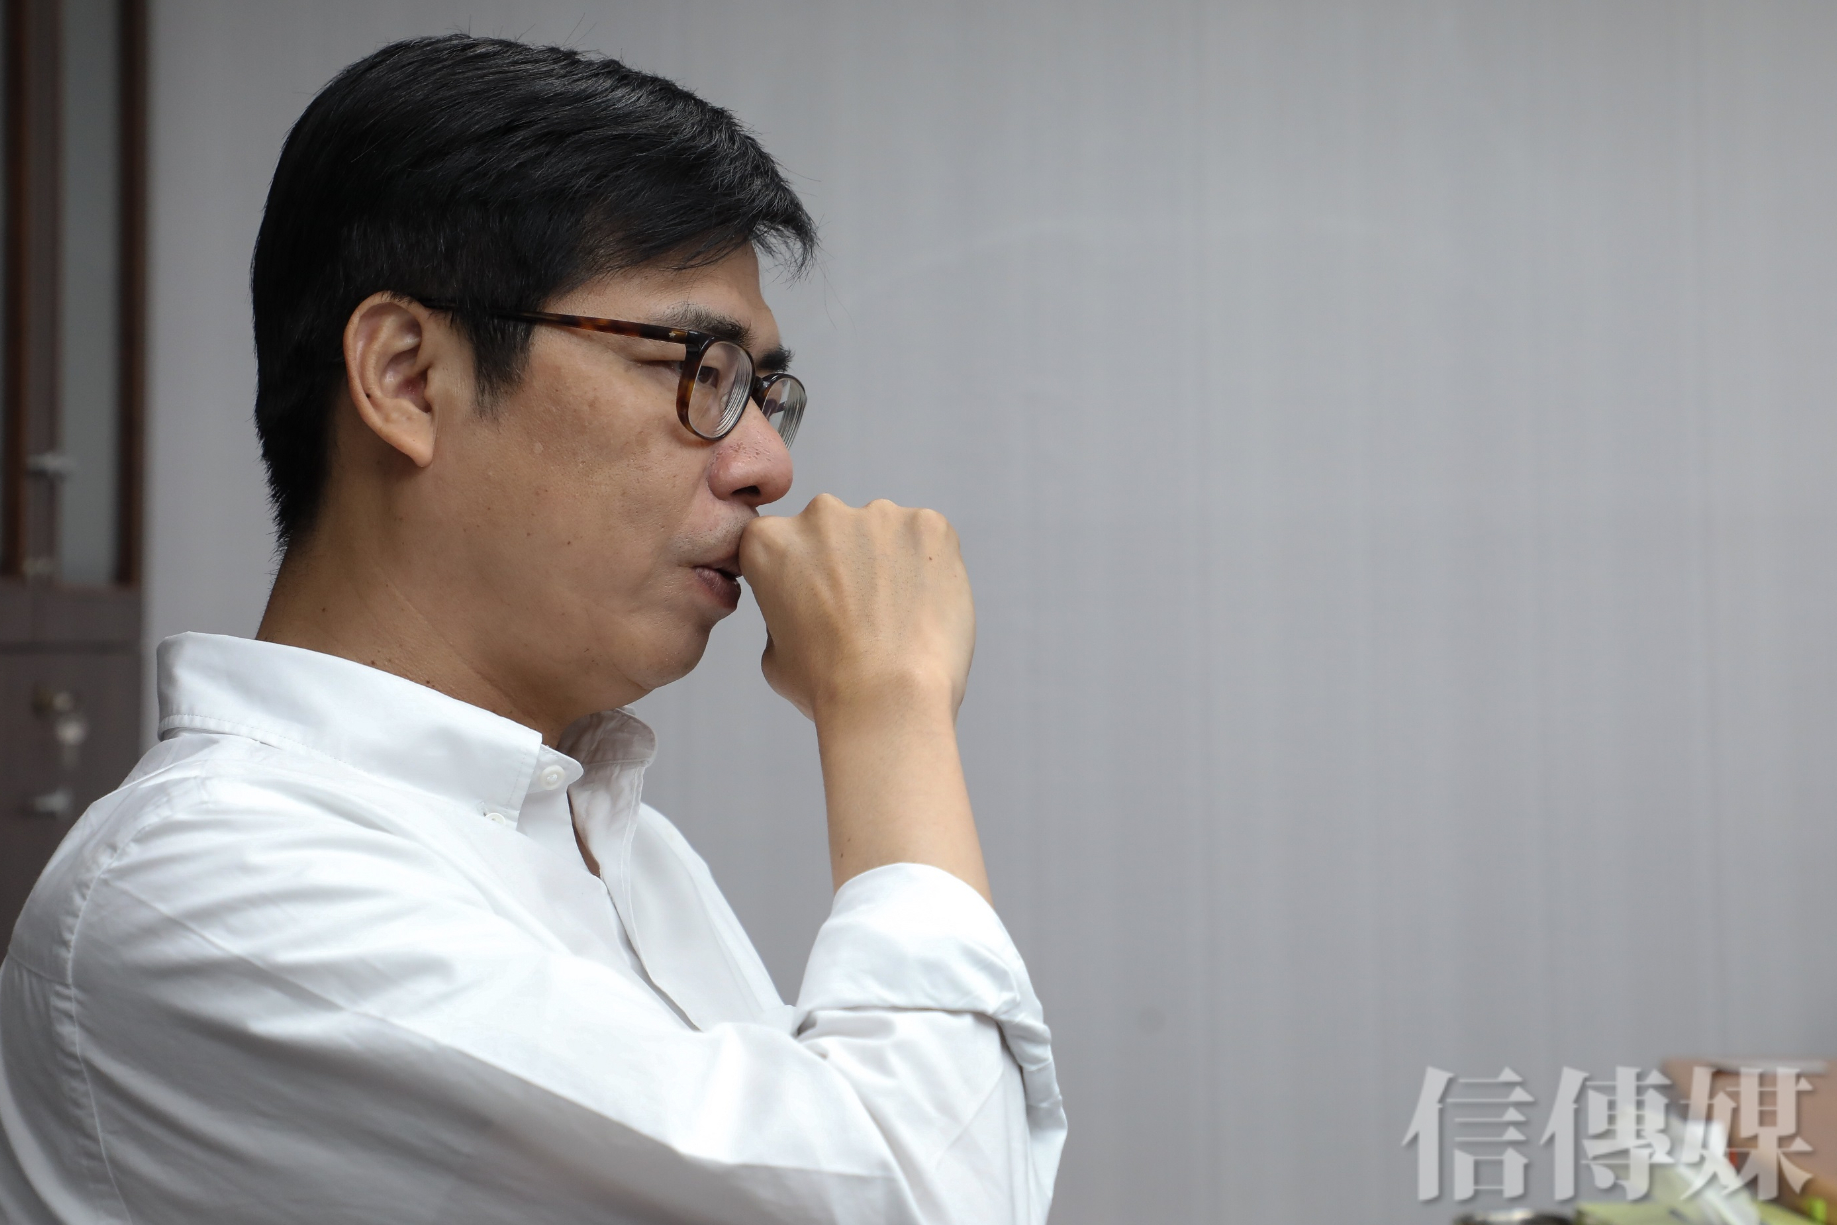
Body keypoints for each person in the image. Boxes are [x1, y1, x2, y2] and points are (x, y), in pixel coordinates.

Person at [0, 34, 1064, 1225]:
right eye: (699, 367)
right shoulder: (213, 886)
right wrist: (887, 705)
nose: (766, 462)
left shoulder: (609, 837)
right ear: (408, 377)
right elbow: (930, 1195)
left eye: (763, 390)